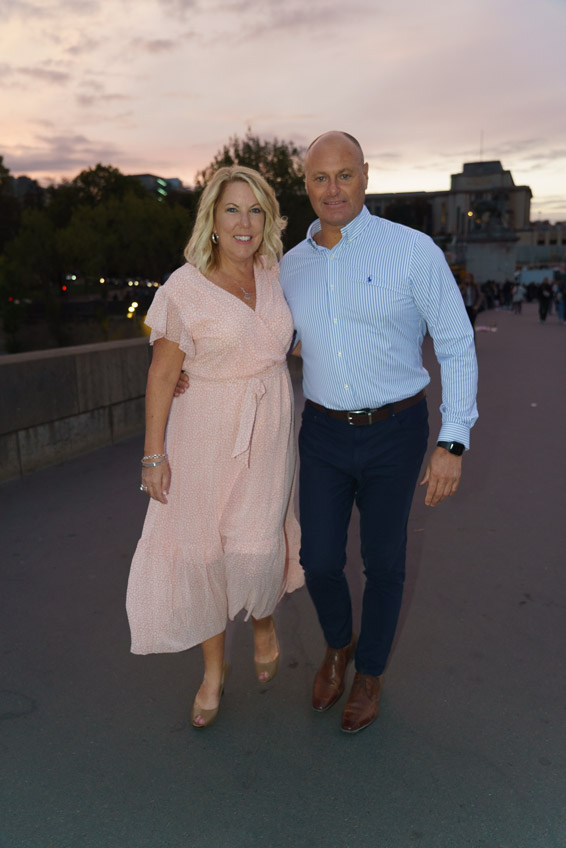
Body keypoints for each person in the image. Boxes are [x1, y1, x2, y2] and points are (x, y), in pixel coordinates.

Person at [280, 131, 478, 733]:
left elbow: (455, 341)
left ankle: (369, 672)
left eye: (344, 175)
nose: (333, 189)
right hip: (322, 433)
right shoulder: (291, 265)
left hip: (396, 431)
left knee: (385, 561)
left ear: (366, 175)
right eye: (320, 178)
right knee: (316, 558)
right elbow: (275, 342)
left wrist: (453, 439)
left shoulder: (413, 251)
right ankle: (338, 645)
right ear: (306, 184)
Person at [127, 165, 304, 729]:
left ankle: (263, 620)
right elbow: (161, 375)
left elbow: (287, 343)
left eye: (255, 209)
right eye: (232, 209)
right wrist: (154, 455)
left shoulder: (278, 274)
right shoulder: (184, 287)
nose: (244, 222)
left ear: (268, 218)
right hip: (202, 429)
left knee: (255, 545)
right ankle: (212, 670)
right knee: (204, 550)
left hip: (269, 427)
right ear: (212, 219)